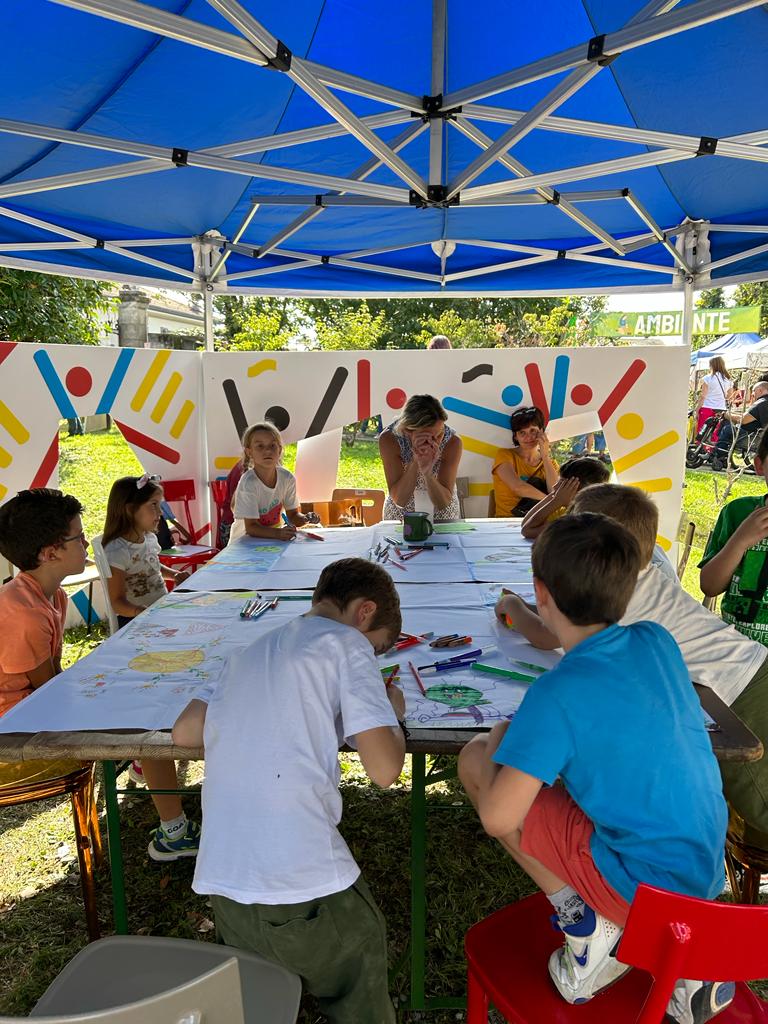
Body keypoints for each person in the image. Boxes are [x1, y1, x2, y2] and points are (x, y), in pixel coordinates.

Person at [459, 514, 730, 1021]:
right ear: (626, 591)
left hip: (641, 889)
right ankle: (686, 961)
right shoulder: (655, 640)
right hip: (703, 872)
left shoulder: (555, 695)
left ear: (540, 592)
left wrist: (500, 739)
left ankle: (584, 924)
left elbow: (498, 816)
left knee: (476, 759)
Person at [172, 558, 407, 1024]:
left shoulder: (251, 647)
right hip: (301, 883)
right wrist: (388, 710)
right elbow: (385, 769)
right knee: (360, 954)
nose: (371, 654)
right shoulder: (346, 644)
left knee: (262, 994)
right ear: (364, 613)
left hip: (226, 889)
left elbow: (184, 731)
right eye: (377, 648)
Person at [102, 473, 200, 861]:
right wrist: (152, 616)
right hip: (139, 633)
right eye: (153, 506)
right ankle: (151, 759)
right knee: (163, 703)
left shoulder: (146, 539)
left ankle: (146, 765)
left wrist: (181, 580)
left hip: (160, 621)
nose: (160, 513)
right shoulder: (115, 550)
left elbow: (156, 578)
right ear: (130, 510)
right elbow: (118, 602)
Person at [0, 489, 94, 788]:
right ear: (50, 553)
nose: (86, 543)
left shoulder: (55, 596)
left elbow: (53, 677)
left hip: (28, 710)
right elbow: (47, 693)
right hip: (12, 729)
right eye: (78, 537)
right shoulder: (25, 613)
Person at [230, 422, 318, 543]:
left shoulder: (287, 478)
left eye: (272, 446)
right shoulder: (248, 482)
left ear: (280, 449)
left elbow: (293, 516)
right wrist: (278, 533)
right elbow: (251, 528)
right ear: (249, 452)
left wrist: (306, 518)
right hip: (243, 545)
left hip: (272, 543)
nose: (267, 451)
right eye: (260, 446)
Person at [379, 394, 462, 522]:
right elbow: (399, 500)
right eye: (427, 437)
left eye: (439, 434)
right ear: (408, 431)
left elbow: (443, 504)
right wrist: (415, 462)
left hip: (441, 517)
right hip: (402, 517)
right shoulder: (390, 439)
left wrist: (428, 474)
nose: (435, 442)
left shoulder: (452, 441)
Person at [492, 406, 559, 517]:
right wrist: (549, 501)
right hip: (508, 523)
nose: (528, 437)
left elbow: (554, 491)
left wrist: (545, 456)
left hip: (540, 523)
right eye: (522, 433)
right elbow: (518, 487)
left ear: (542, 431)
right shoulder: (504, 455)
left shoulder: (550, 463)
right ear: (516, 436)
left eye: (533, 431)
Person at [521, 456, 610, 539]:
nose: (555, 486)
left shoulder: (577, 517)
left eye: (562, 483)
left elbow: (527, 530)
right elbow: (525, 522)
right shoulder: (563, 508)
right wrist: (553, 496)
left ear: (576, 487)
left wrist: (556, 501)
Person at [712, 380, 768, 466]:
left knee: (727, 429)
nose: (752, 394)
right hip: (758, 433)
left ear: (760, 390)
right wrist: (729, 414)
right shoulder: (764, 402)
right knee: (728, 425)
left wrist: (726, 415)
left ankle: (719, 455)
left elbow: (743, 419)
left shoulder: (761, 403)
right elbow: (747, 416)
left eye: (753, 391)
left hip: (750, 435)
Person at [695, 356, 732, 435]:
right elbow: (729, 397)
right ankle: (712, 447)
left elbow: (703, 396)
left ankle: (702, 447)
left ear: (712, 365)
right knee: (715, 433)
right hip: (721, 408)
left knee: (703, 432)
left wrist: (697, 409)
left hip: (707, 407)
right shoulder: (728, 380)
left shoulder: (708, 378)